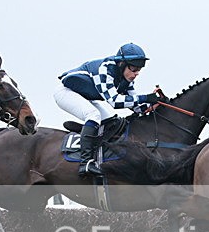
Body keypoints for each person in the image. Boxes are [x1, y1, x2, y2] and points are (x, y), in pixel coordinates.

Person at [55, 43, 166, 177]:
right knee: (93, 115)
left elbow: (136, 107)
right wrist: (146, 97)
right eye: (133, 68)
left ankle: (99, 154)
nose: (136, 73)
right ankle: (85, 163)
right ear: (121, 64)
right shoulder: (105, 69)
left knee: (109, 120)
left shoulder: (127, 79)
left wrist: (154, 105)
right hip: (66, 93)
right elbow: (115, 101)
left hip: (85, 97)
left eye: (139, 70)